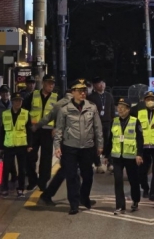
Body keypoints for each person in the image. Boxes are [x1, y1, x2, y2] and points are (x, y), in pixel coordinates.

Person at [54, 79, 103, 215]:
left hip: (87, 147)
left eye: (84, 90)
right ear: (73, 92)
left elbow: (98, 128)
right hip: (70, 147)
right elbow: (59, 129)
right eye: (80, 91)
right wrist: (57, 146)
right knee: (72, 176)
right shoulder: (64, 110)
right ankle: (74, 204)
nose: (83, 93)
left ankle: (84, 196)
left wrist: (100, 145)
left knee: (88, 175)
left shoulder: (91, 107)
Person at [33, 90, 73, 206]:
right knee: (67, 169)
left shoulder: (64, 103)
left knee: (73, 170)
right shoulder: (65, 104)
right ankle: (47, 195)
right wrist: (37, 126)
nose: (84, 93)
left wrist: (37, 126)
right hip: (67, 141)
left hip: (72, 141)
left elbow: (48, 117)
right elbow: (50, 117)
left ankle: (79, 197)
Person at [23, 75, 59, 190]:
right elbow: (25, 111)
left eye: (53, 83)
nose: (51, 85)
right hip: (34, 131)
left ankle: (43, 182)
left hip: (48, 132)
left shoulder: (56, 97)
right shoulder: (33, 95)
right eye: (49, 83)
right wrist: (28, 126)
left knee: (46, 158)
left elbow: (60, 115)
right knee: (30, 157)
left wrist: (56, 128)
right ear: (43, 83)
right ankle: (32, 180)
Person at [110, 98, 143, 215]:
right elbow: (110, 139)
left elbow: (140, 139)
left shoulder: (135, 121)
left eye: (123, 107)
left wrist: (139, 154)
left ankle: (135, 200)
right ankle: (120, 206)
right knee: (118, 181)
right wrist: (107, 156)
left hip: (131, 156)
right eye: (118, 107)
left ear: (128, 109)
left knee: (133, 181)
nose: (120, 109)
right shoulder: (114, 121)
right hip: (117, 156)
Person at [0, 93, 33, 197]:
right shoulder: (5, 114)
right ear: (12, 102)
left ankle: (20, 188)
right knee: (6, 168)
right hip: (8, 145)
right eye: (16, 100)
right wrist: (0, 147)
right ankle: (4, 188)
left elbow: (29, 130)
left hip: (22, 145)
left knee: (22, 169)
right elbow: (2, 131)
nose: (18, 102)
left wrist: (29, 145)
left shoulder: (26, 113)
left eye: (20, 101)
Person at [87, 76, 116, 173]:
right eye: (99, 83)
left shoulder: (109, 96)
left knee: (109, 142)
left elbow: (112, 109)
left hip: (108, 122)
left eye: (103, 83)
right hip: (95, 124)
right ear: (95, 85)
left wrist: (114, 120)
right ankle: (98, 164)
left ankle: (110, 162)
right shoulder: (91, 97)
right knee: (95, 143)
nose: (102, 85)